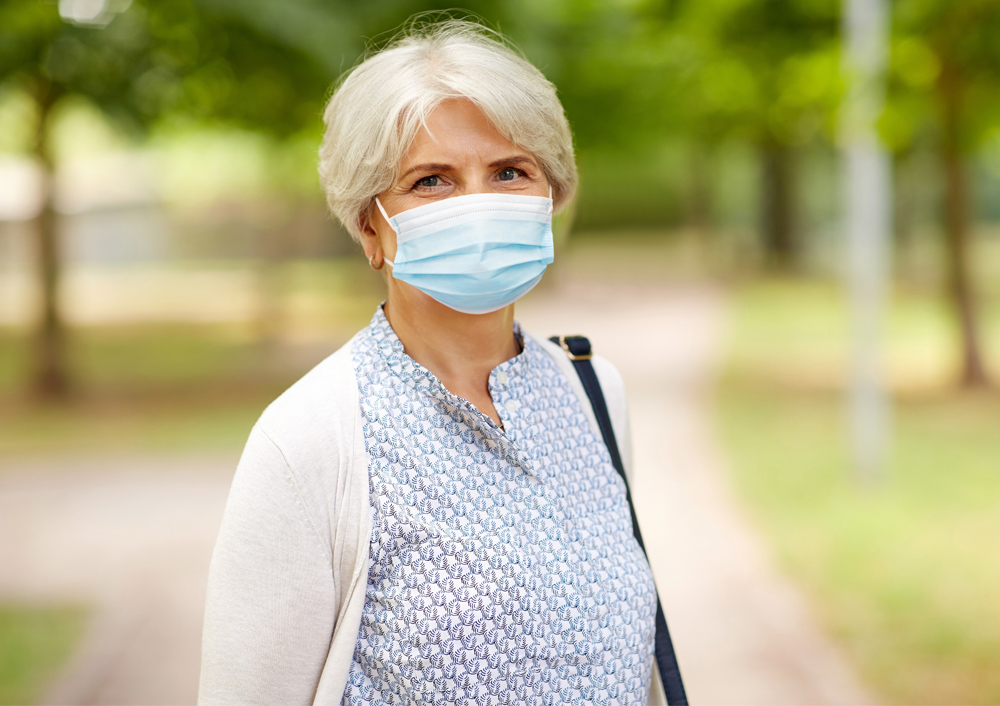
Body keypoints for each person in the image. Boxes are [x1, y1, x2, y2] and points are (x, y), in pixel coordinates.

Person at [199, 18, 666, 706]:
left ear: (549, 197)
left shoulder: (593, 393)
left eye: (510, 171)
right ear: (370, 227)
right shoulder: (311, 438)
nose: (478, 204)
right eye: (432, 181)